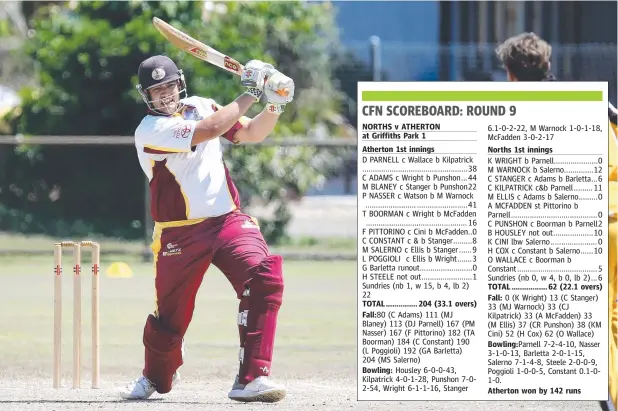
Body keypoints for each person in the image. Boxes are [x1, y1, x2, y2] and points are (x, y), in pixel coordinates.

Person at [118, 54, 294, 403]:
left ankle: (252, 378)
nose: (165, 95)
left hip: (228, 221)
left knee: (265, 278)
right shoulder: (150, 130)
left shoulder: (202, 105)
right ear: (146, 95)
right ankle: (155, 375)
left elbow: (250, 132)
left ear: (179, 82)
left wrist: (275, 104)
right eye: (156, 91)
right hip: (179, 233)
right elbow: (210, 130)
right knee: (169, 321)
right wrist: (251, 92)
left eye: (168, 85)